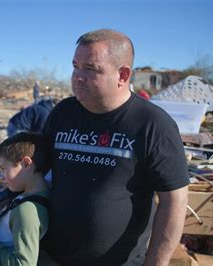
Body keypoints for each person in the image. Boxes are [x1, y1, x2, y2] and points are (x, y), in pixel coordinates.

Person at [42, 29, 189, 265]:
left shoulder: (153, 125)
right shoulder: (62, 113)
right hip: (52, 257)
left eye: (90, 69)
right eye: (75, 66)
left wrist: (156, 263)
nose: (77, 76)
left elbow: (174, 201)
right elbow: (36, 169)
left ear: (122, 74)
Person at [0, 132, 51, 265]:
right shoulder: (32, 194)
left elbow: (23, 264)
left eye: (4, 169)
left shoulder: (27, 210)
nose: (1, 176)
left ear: (26, 164)